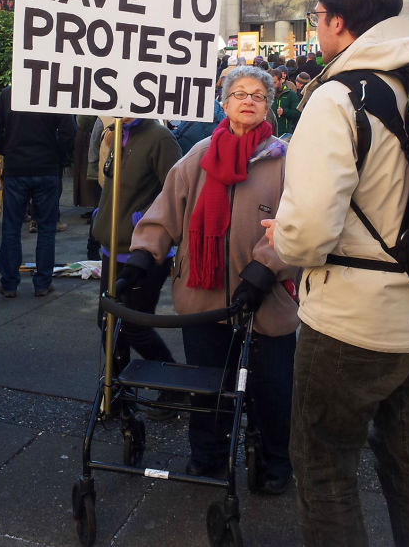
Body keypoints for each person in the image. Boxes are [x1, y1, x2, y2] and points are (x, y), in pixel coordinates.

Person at [263, 0, 409, 546]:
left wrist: (281, 238)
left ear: (338, 22)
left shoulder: (338, 96)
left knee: (323, 465)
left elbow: (310, 232)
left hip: (352, 322)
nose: (315, 28)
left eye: (317, 18)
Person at [121, 67, 299, 492]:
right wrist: (143, 255)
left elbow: (299, 220)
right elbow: (166, 211)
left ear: (269, 104)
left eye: (258, 95)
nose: (248, 101)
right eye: (239, 93)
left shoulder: (284, 158)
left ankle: (275, 463)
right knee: (207, 386)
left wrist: (265, 266)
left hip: (265, 299)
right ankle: (208, 456)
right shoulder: (199, 154)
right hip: (202, 297)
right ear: (223, 102)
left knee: (271, 388)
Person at [92, 118, 182, 417]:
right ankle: (118, 389)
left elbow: (178, 191)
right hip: (111, 248)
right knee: (109, 324)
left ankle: (174, 388)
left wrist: (142, 220)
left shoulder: (160, 138)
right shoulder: (116, 133)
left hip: (141, 252)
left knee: (134, 326)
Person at [0, 87, 75, 298]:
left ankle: (9, 284)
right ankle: (42, 283)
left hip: (16, 169)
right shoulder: (53, 93)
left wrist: (6, 149)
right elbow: (69, 131)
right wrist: (59, 157)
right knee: (46, 228)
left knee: (11, 227)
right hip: (46, 168)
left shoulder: (9, 93)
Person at [270, 68, 300, 135]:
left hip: (285, 134)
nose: (272, 85)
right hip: (270, 134)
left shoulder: (291, 94)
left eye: (275, 82)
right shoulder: (267, 95)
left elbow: (297, 113)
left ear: (281, 80)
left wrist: (284, 112)